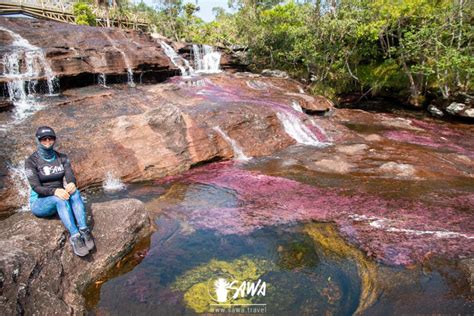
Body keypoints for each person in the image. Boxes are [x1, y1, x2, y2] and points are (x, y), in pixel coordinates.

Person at [25, 126, 94, 257]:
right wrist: (54, 191)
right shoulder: (31, 161)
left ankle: (84, 230)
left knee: (76, 193)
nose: (47, 141)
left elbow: (70, 176)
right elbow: (36, 187)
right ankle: (75, 236)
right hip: (40, 202)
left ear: (54, 140)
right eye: (43, 139)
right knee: (60, 199)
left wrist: (72, 184)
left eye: (50, 138)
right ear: (38, 140)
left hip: (59, 196)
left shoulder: (62, 157)